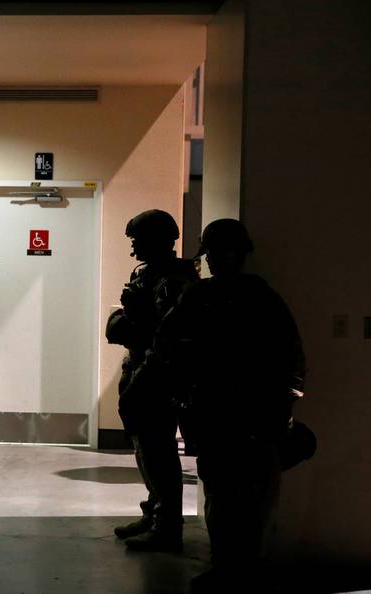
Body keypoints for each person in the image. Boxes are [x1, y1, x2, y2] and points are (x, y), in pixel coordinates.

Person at [147, 219, 305, 590]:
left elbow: (166, 348)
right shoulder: (259, 297)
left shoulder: (203, 298)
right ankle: (240, 566)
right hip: (241, 413)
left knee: (229, 493)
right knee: (246, 493)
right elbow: (293, 360)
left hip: (226, 412)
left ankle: (232, 567)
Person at [105, 209, 199, 552]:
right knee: (145, 450)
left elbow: (168, 334)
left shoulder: (174, 281)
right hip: (141, 366)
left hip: (158, 374)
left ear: (160, 241)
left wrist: (131, 320)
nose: (133, 249)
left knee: (159, 453)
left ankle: (167, 526)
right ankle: (154, 512)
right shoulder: (149, 274)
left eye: (138, 241)